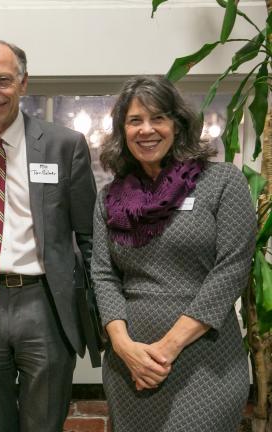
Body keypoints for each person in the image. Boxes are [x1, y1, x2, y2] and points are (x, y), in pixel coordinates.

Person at [0, 38, 97, 432]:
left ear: (24, 83)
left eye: (4, 80)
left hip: (45, 303)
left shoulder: (65, 146)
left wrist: (101, 313)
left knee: (44, 422)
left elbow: (91, 237)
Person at [91, 75, 255, 431]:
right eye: (135, 121)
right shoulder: (110, 197)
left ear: (178, 124)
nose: (146, 130)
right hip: (130, 364)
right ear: (122, 130)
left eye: (158, 118)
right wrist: (124, 347)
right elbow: (103, 273)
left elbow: (233, 268)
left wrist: (165, 349)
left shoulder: (223, 182)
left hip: (206, 359)